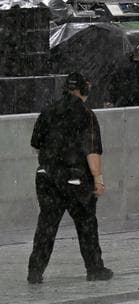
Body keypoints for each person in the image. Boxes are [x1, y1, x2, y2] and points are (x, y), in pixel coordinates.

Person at [27, 72, 113, 284]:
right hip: (76, 180)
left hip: (47, 177)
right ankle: (94, 270)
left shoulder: (48, 111)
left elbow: (35, 144)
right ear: (84, 89)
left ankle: (35, 272)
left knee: (46, 225)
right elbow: (92, 151)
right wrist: (98, 179)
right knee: (86, 225)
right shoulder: (86, 114)